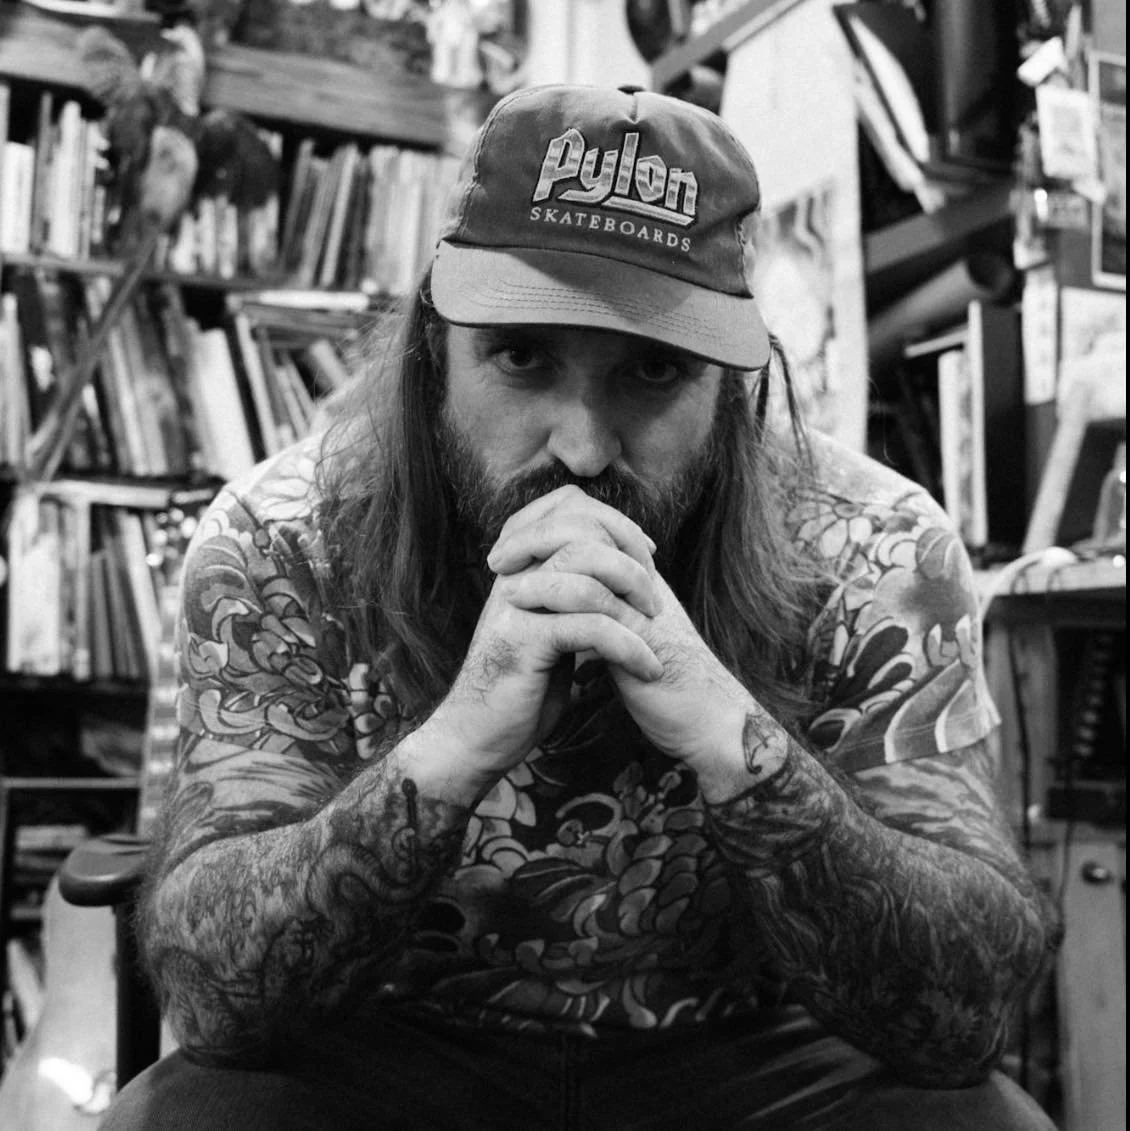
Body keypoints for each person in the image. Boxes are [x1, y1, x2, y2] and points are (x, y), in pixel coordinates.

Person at [104, 84, 1059, 1130]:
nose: (584, 447)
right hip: (386, 1040)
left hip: (754, 1046)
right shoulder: (285, 537)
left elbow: (966, 1015)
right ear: (433, 349)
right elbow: (215, 1004)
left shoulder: (871, 544)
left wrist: (737, 744)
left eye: (652, 370)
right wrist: (451, 750)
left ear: (729, 389)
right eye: (522, 357)